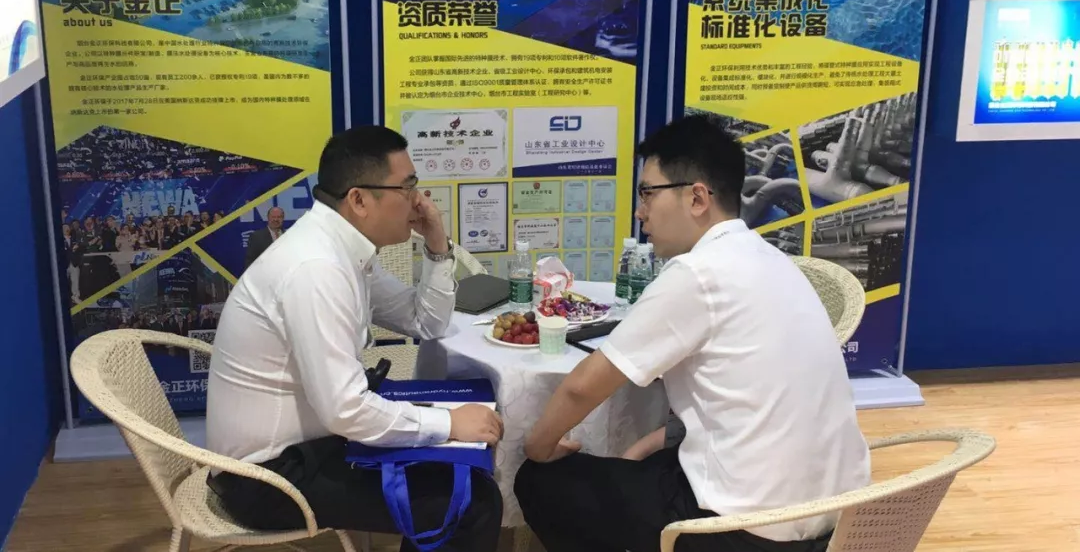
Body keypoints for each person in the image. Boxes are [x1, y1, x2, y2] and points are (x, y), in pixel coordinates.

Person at [515, 115, 870, 552]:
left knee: (540, 480)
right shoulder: (771, 259)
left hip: (744, 531)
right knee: (646, 468)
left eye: (648, 193)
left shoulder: (698, 273)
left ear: (698, 198)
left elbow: (582, 388)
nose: (640, 211)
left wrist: (537, 448)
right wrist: (640, 450)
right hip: (837, 521)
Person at [206, 126, 504, 552]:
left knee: (462, 475)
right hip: (268, 477)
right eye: (407, 187)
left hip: (314, 441)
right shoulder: (317, 268)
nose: (419, 201)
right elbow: (345, 410)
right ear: (359, 200)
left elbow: (426, 322)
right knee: (470, 501)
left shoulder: (342, 249)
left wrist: (438, 247)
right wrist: (448, 423)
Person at [242, 205, 286, 271]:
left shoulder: (288, 235)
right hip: (265, 274)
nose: (276, 219)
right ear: (268, 218)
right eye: (273, 217)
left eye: (279, 217)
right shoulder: (256, 236)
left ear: (283, 218)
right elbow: (250, 262)